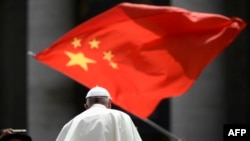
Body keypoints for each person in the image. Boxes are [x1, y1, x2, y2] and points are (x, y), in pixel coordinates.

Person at [55, 86, 142, 141]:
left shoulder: (73, 123)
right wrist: (131, 129)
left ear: (86, 107)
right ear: (109, 104)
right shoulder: (123, 117)